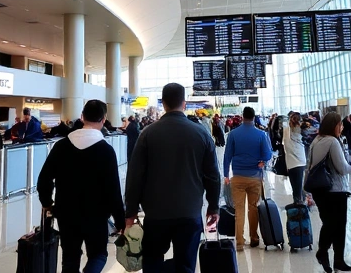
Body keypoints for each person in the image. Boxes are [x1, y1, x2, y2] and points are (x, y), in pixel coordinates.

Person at [124, 83, 220, 273]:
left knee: (152, 262)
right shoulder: (201, 134)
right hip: (189, 212)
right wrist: (213, 206)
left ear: (164, 104)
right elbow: (213, 175)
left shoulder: (147, 134)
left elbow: (135, 175)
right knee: (185, 264)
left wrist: (131, 211)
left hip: (156, 214)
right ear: (184, 104)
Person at [38, 100, 126, 273]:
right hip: (96, 215)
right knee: (98, 255)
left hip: (66, 213)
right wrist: (120, 221)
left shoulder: (61, 146)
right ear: (104, 119)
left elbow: (44, 179)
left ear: (82, 116)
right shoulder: (106, 151)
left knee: (70, 257)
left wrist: (47, 203)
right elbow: (113, 190)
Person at [306, 112, 351, 273]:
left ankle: (334, 259)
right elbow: (342, 168)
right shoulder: (333, 142)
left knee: (330, 224)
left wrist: (308, 193)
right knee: (337, 226)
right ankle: (325, 253)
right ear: (335, 126)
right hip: (335, 191)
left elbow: (309, 166)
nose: (342, 127)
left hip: (319, 190)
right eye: (341, 125)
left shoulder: (316, 140)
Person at [223, 107, 273, 250]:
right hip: (255, 177)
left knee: (239, 210)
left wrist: (226, 175)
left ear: (242, 116)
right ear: (253, 117)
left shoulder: (233, 134)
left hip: (237, 177)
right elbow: (268, 154)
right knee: (253, 208)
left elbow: (227, 156)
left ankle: (239, 241)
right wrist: (262, 161)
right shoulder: (261, 134)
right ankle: (254, 238)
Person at [283, 111, 308, 205]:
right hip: (300, 161)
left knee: (295, 188)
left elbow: (284, 145)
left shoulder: (286, 130)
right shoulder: (302, 130)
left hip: (290, 162)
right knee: (299, 188)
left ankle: (297, 204)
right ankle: (300, 208)